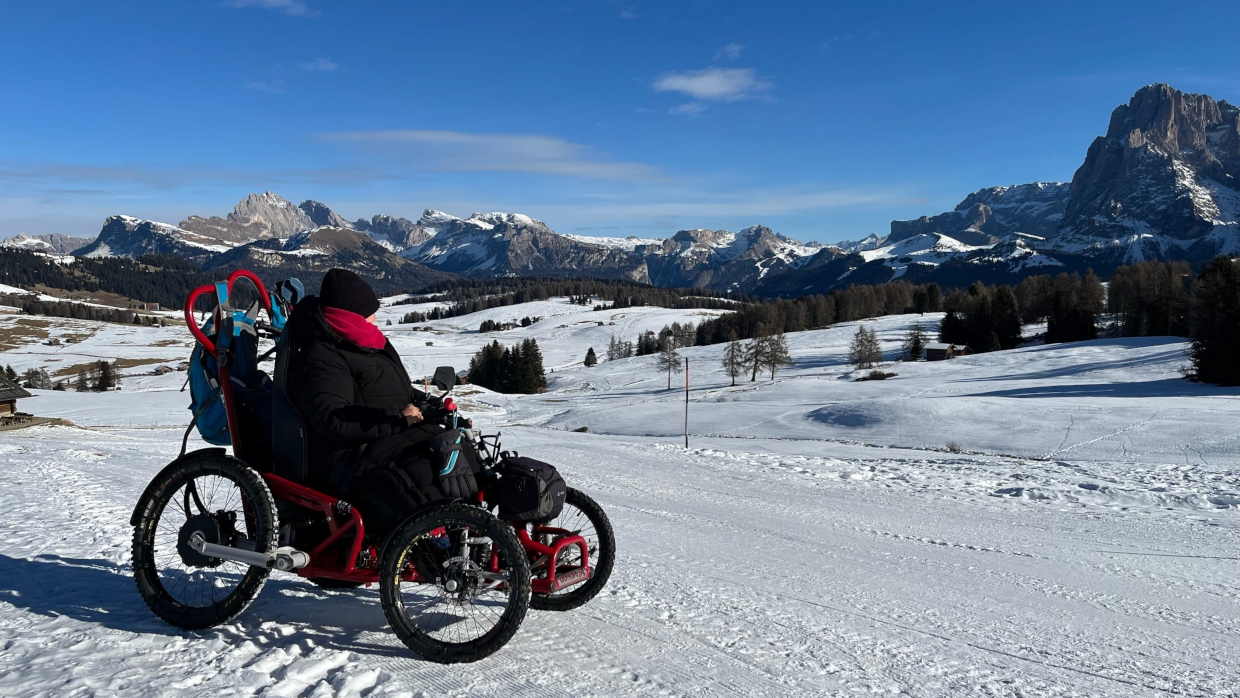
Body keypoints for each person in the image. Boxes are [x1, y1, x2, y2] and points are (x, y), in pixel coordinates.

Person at [289, 268, 475, 536]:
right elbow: (332, 419)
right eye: (369, 311)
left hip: (386, 439)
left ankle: (480, 533)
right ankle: (439, 546)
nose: (375, 317)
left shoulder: (371, 343)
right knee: (421, 472)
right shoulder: (321, 355)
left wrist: (431, 407)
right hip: (352, 457)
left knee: (458, 449)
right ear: (351, 314)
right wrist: (397, 418)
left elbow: (401, 393)